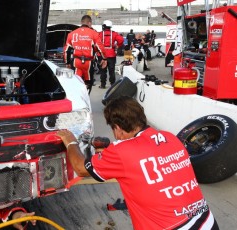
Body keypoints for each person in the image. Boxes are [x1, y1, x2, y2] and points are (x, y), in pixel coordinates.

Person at [56, 96, 219, 230]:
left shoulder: (121, 151)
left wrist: (70, 142)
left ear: (118, 128)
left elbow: (79, 167)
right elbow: (146, 157)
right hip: (207, 221)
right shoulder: (171, 138)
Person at [63, 15, 107, 94]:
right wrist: (104, 59)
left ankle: (77, 100)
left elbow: (66, 50)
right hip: (88, 62)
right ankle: (86, 99)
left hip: (76, 62)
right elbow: (100, 48)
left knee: (76, 82)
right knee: (88, 83)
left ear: (81, 22)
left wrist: (67, 63)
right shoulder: (94, 33)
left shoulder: (72, 33)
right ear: (89, 23)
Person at [97, 20, 124, 88]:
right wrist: (118, 45)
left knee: (103, 71)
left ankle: (103, 85)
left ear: (104, 26)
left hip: (102, 55)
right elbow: (121, 40)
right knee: (111, 71)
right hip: (111, 54)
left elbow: (96, 43)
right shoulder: (114, 34)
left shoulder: (99, 34)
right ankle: (112, 84)